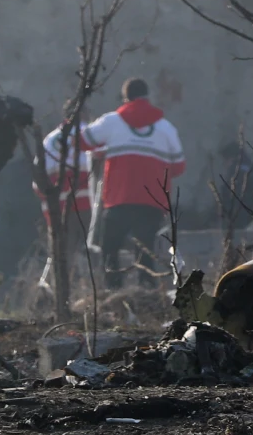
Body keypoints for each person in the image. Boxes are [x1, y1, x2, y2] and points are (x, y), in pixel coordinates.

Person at [80, 78, 185, 289]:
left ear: (125, 97)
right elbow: (179, 167)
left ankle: (113, 289)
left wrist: (108, 150)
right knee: (145, 250)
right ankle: (147, 290)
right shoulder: (166, 128)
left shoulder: (111, 121)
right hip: (152, 200)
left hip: (119, 198)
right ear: (148, 98)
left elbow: (82, 141)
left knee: (110, 247)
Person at [33, 107, 93, 290]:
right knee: (89, 256)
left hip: (56, 210)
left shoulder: (49, 140)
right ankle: (88, 294)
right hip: (87, 207)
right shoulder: (91, 135)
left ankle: (57, 297)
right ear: (85, 114)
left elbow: (37, 182)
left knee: (61, 257)